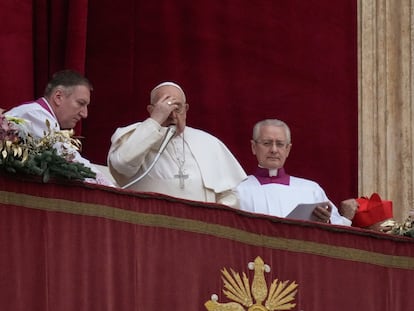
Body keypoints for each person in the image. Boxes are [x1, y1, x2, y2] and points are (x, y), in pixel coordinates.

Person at [107, 81, 247, 207]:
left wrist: (215, 217)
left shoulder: (208, 143)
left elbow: (230, 194)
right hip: (151, 228)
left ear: (186, 109)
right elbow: (122, 165)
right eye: (165, 108)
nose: (172, 116)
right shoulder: (135, 135)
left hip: (200, 228)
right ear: (151, 110)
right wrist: (154, 121)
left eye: (177, 108)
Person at [6, 69, 114, 186]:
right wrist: (113, 191)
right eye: (81, 103)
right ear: (58, 97)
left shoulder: (39, 115)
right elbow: (70, 161)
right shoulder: (34, 115)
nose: (84, 114)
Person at [236, 118, 352, 226]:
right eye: (267, 143)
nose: (274, 150)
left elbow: (337, 229)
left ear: (288, 149)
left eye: (280, 144)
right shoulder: (237, 190)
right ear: (254, 147)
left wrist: (327, 221)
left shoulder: (311, 190)